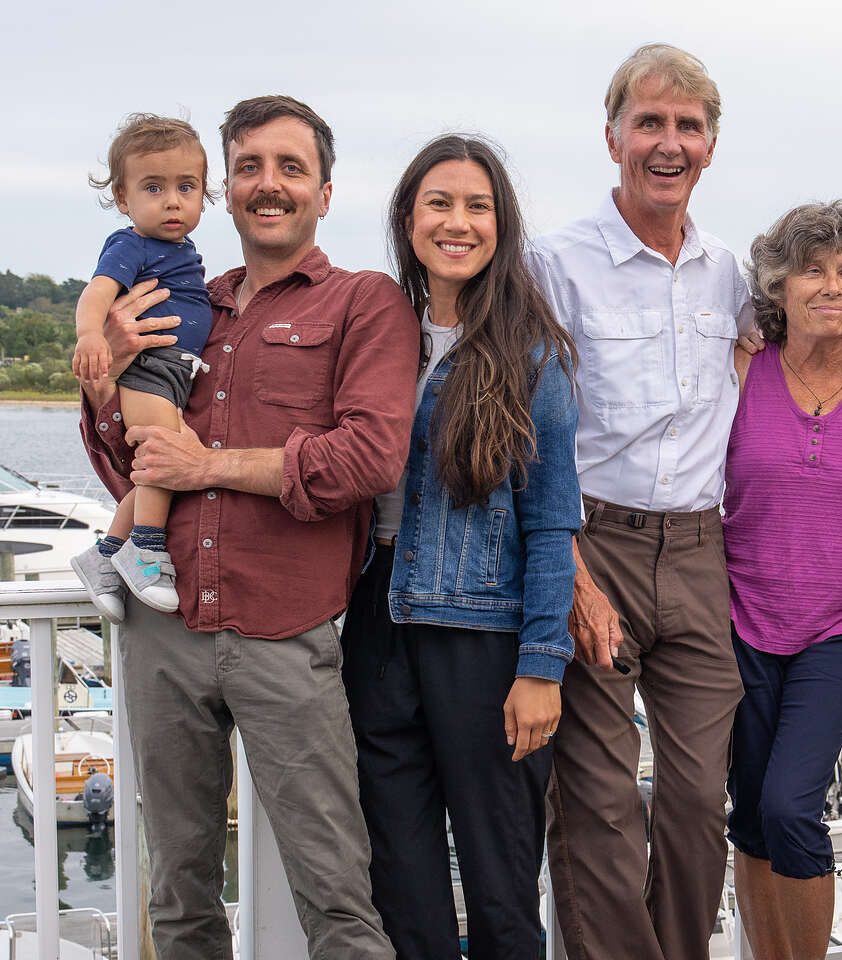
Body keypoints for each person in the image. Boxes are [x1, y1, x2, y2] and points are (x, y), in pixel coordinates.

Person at [79, 95, 418, 959]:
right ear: (225, 192)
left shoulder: (365, 303)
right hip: (166, 627)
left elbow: (369, 459)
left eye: (290, 167)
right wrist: (105, 378)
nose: (269, 185)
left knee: (337, 892)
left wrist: (211, 467)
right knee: (178, 893)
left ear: (325, 192)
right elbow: (128, 469)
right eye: (250, 169)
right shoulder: (180, 300)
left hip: (285, 635)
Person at [527, 43, 753, 960]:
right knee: (600, 804)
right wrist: (570, 574)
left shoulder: (730, 274)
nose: (669, 142)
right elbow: (524, 433)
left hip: (701, 555)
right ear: (613, 135)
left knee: (700, 800)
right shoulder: (555, 264)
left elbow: (797, 376)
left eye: (687, 126)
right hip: (593, 544)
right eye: (650, 122)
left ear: (711, 147)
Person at [340, 135, 580, 960]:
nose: (458, 222)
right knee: (403, 888)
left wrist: (542, 666)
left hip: (484, 645)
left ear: (501, 225)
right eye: (439, 203)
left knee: (502, 888)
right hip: (377, 630)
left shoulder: (532, 356)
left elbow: (553, 524)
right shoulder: (375, 340)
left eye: (477, 206)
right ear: (408, 218)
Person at [723, 201, 842, 960]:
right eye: (813, 270)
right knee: (750, 815)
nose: (832, 286)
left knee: (792, 806)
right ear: (779, 286)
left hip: (840, 622)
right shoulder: (740, 369)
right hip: (738, 618)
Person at [70, 114, 218, 619]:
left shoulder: (180, 249)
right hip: (151, 366)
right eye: (153, 187)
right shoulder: (130, 244)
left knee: (163, 463)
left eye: (186, 186)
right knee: (164, 458)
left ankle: (105, 554)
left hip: (175, 371)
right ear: (123, 197)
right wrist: (92, 334)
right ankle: (148, 548)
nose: (172, 200)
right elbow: (96, 294)